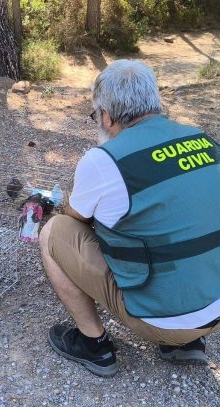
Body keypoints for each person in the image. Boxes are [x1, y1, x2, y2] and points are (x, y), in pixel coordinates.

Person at [39, 59, 220, 377]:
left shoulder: (104, 160)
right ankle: (186, 344)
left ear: (107, 116)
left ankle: (93, 346)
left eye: (96, 115)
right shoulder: (205, 141)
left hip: (160, 319)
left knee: (54, 231)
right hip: (214, 311)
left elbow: (75, 218)